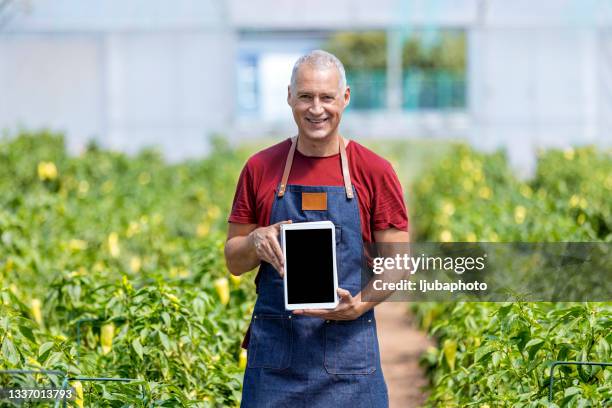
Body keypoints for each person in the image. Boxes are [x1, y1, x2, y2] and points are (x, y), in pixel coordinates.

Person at [224, 50, 409, 407]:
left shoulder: (373, 171)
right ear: (289, 96)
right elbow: (234, 260)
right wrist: (255, 241)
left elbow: (398, 262)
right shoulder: (260, 168)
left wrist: (360, 304)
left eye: (326, 97)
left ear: (345, 97)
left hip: (349, 356)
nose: (316, 108)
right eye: (306, 96)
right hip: (276, 361)